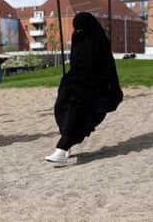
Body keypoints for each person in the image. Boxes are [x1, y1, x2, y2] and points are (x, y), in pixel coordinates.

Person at [45, 12, 123, 163]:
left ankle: (62, 148)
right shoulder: (78, 37)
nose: (78, 32)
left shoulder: (99, 40)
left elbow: (108, 65)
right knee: (61, 108)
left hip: (93, 85)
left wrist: (110, 86)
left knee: (78, 113)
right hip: (74, 81)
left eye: (81, 29)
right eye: (76, 29)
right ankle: (66, 142)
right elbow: (76, 61)